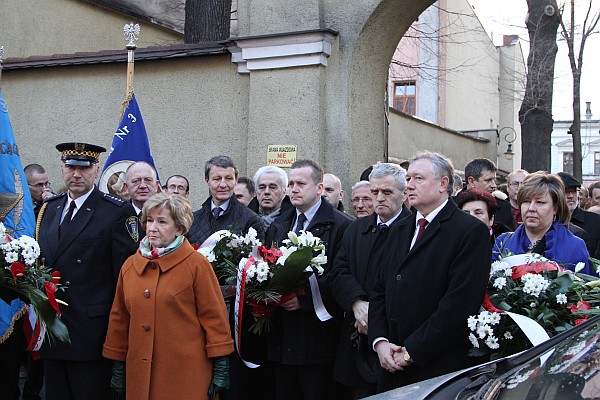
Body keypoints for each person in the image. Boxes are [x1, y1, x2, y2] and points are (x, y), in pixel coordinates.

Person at [368, 151, 491, 391]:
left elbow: (459, 303)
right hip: (390, 361)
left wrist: (412, 351)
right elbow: (380, 288)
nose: (409, 185)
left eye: (418, 178)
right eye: (408, 178)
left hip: (436, 366)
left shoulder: (469, 231)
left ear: (443, 184)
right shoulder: (399, 228)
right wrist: (380, 341)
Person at [103, 193, 234, 400]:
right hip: (140, 373)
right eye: (149, 221)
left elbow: (214, 317)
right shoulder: (130, 266)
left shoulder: (196, 264)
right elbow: (119, 319)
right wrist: (118, 363)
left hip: (186, 374)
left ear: (179, 228)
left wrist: (221, 365)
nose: (152, 228)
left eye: (162, 222)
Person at [37, 142, 139, 400]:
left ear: (96, 170)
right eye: (70, 167)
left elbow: (125, 275)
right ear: (62, 169)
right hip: (53, 328)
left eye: (84, 168)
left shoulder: (115, 211)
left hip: (91, 332)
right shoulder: (49, 209)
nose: (76, 174)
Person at [265, 159, 353, 400]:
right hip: (283, 336)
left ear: (319, 188)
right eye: (291, 184)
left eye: (301, 184)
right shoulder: (279, 224)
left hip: (319, 337)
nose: (293, 189)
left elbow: (342, 274)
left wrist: (303, 299)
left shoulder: (341, 226)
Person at [330, 162, 409, 398]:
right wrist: (356, 303)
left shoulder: (414, 230)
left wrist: (374, 316)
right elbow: (339, 271)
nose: (379, 198)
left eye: (387, 192)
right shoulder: (356, 229)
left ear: (404, 194)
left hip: (396, 339)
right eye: (375, 192)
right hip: (356, 336)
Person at [493, 173, 592, 274]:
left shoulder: (574, 246)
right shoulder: (503, 242)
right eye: (526, 201)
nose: (531, 208)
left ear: (555, 207)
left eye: (540, 202)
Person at [187, 156, 265, 246]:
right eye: (217, 179)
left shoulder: (251, 220)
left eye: (228, 178)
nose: (223, 185)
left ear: (236, 180)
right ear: (207, 181)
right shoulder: (193, 219)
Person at [557, 172, 600, 260]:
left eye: (574, 191)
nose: (571, 196)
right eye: (566, 191)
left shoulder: (596, 221)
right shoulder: (546, 222)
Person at [464, 158, 515, 230]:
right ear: (471, 181)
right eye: (488, 180)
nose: (494, 185)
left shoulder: (504, 208)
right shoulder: (452, 205)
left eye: (494, 180)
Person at [123, 162, 160, 240]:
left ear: (156, 185)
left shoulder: (168, 214)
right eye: (136, 181)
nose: (143, 186)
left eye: (148, 180)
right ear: (126, 187)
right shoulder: (117, 215)